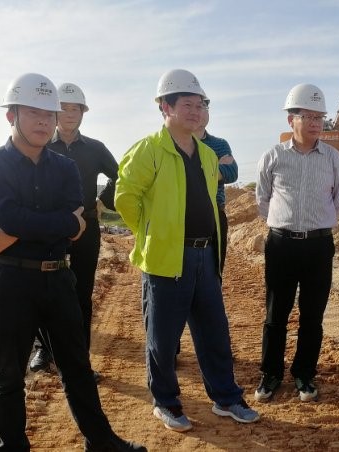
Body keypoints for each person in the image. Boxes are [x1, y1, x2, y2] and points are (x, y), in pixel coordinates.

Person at [0, 73, 144, 451]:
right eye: (33, 113)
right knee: (8, 375)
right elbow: (53, 220)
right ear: (11, 116)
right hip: (11, 281)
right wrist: (55, 222)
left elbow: (74, 227)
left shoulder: (65, 168)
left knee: (78, 368)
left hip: (58, 278)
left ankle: (101, 442)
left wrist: (18, 228)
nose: (43, 121)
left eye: (48, 114)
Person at [115, 68, 259, 432]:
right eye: (187, 105)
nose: (196, 112)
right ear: (166, 107)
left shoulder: (207, 154)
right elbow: (125, 197)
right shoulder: (148, 149)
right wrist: (150, 233)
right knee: (163, 338)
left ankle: (226, 398)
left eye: (200, 105)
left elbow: (209, 199)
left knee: (214, 331)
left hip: (204, 255)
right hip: (167, 257)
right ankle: (165, 402)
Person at [254, 83, 339, 403]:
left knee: (312, 316)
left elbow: (338, 202)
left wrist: (314, 225)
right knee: (275, 313)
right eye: (308, 116)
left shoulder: (333, 158)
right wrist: (285, 224)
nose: (316, 123)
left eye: (320, 117)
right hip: (281, 245)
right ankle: (271, 374)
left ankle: (304, 374)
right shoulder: (273, 156)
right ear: (290, 119)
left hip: (319, 246)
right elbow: (263, 200)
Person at [28, 82, 120, 380]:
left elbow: (121, 175)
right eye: (64, 108)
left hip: (86, 228)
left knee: (81, 293)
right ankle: (44, 350)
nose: (69, 114)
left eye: (75, 109)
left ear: (83, 113)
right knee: (43, 289)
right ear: (54, 112)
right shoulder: (41, 145)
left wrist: (103, 200)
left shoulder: (95, 148)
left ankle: (80, 360)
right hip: (48, 228)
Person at [194, 100, 237, 273]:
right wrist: (216, 168)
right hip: (184, 214)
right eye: (195, 106)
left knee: (214, 271)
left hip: (215, 214)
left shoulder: (220, 144)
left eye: (204, 107)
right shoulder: (178, 143)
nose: (200, 111)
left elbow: (232, 173)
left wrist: (198, 171)